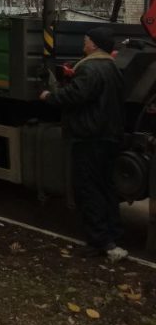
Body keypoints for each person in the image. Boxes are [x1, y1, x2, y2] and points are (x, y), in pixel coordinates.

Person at [39, 26, 127, 261]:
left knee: (88, 189)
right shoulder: (112, 67)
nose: (83, 43)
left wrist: (50, 96)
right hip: (109, 137)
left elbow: (76, 97)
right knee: (106, 187)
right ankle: (112, 235)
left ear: (95, 45)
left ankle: (98, 241)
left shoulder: (89, 68)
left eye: (86, 40)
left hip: (89, 137)